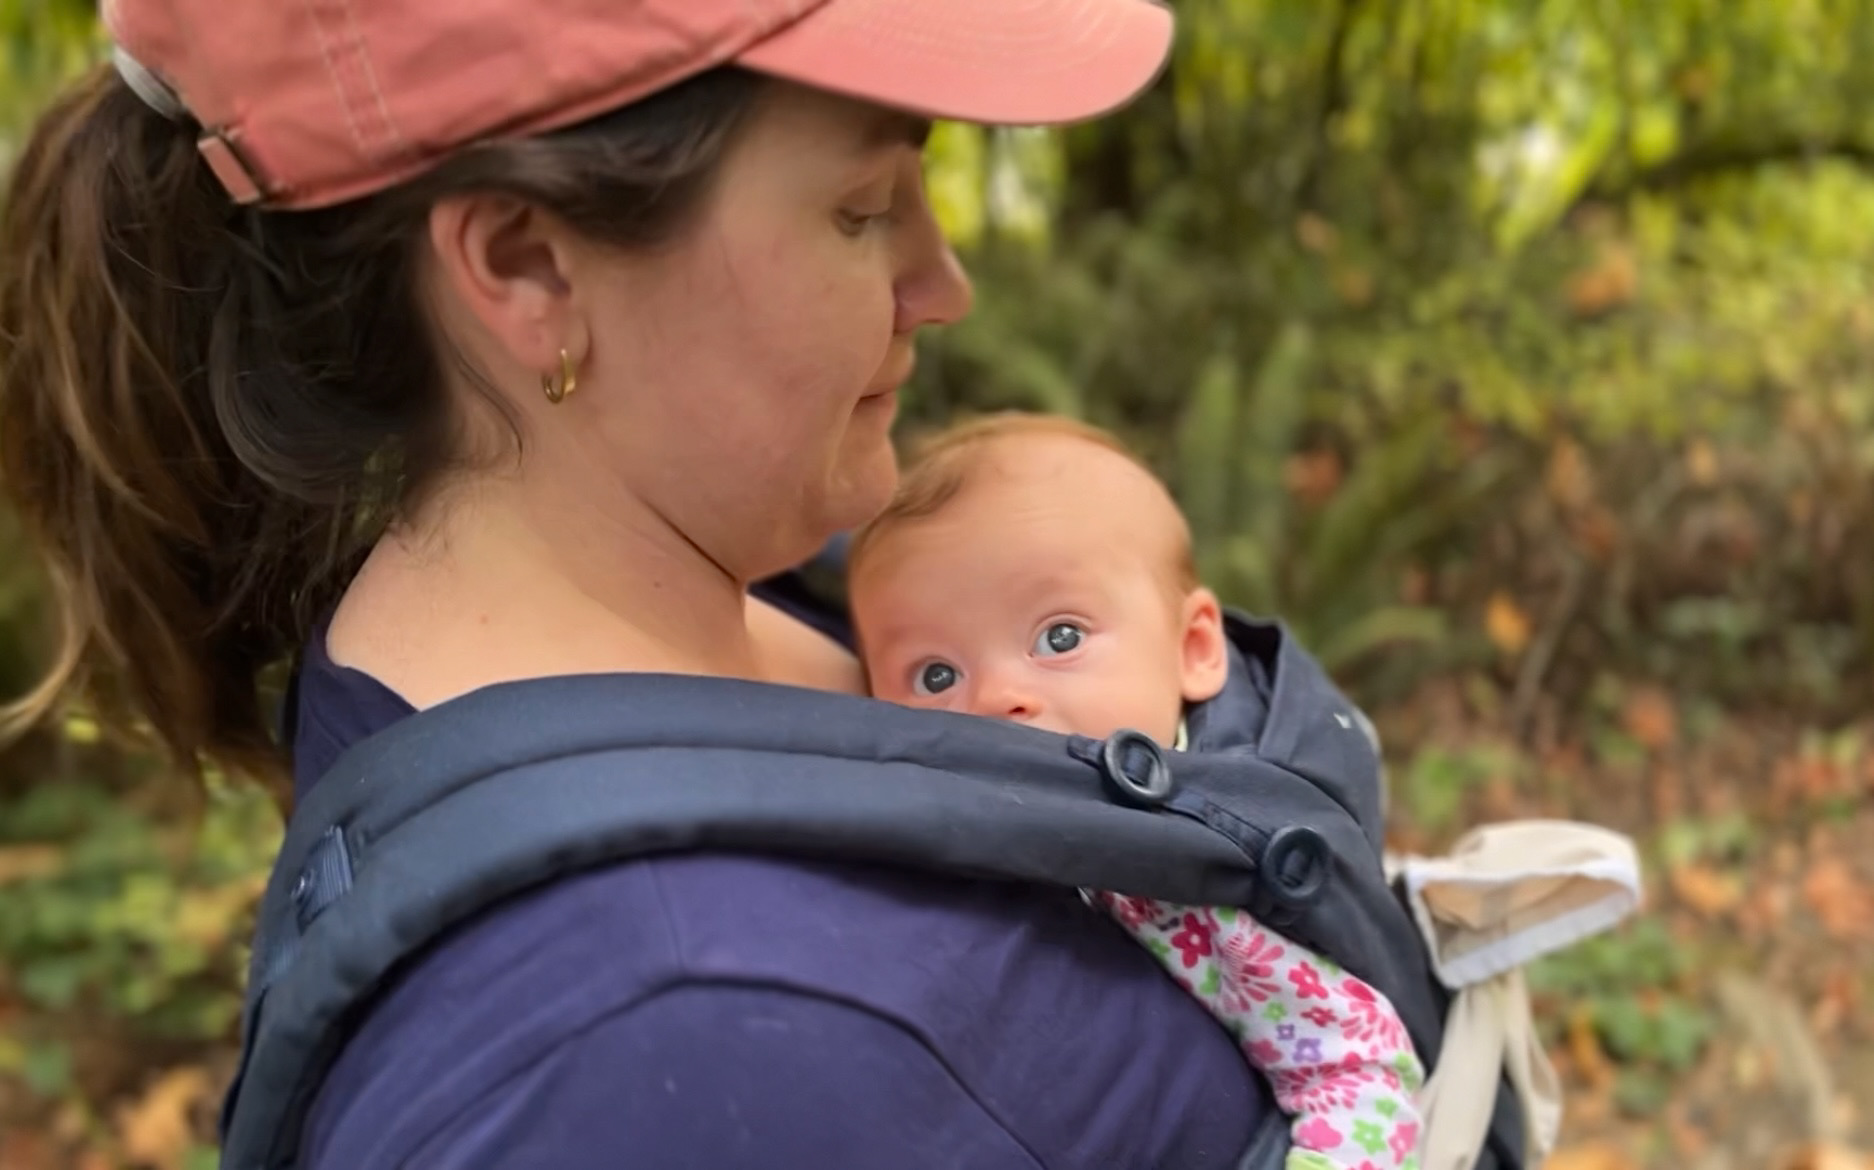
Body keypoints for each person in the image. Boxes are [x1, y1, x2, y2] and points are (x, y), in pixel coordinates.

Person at [0, 0, 1291, 1166]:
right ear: (528, 267)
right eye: (858, 208)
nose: (939, 284)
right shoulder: (647, 1046)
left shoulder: (762, 583)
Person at [847, 412, 1426, 1170]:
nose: (995, 698)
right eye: (935, 675)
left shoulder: (1191, 877)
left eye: (1059, 637)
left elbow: (1361, 1072)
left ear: (1193, 650)